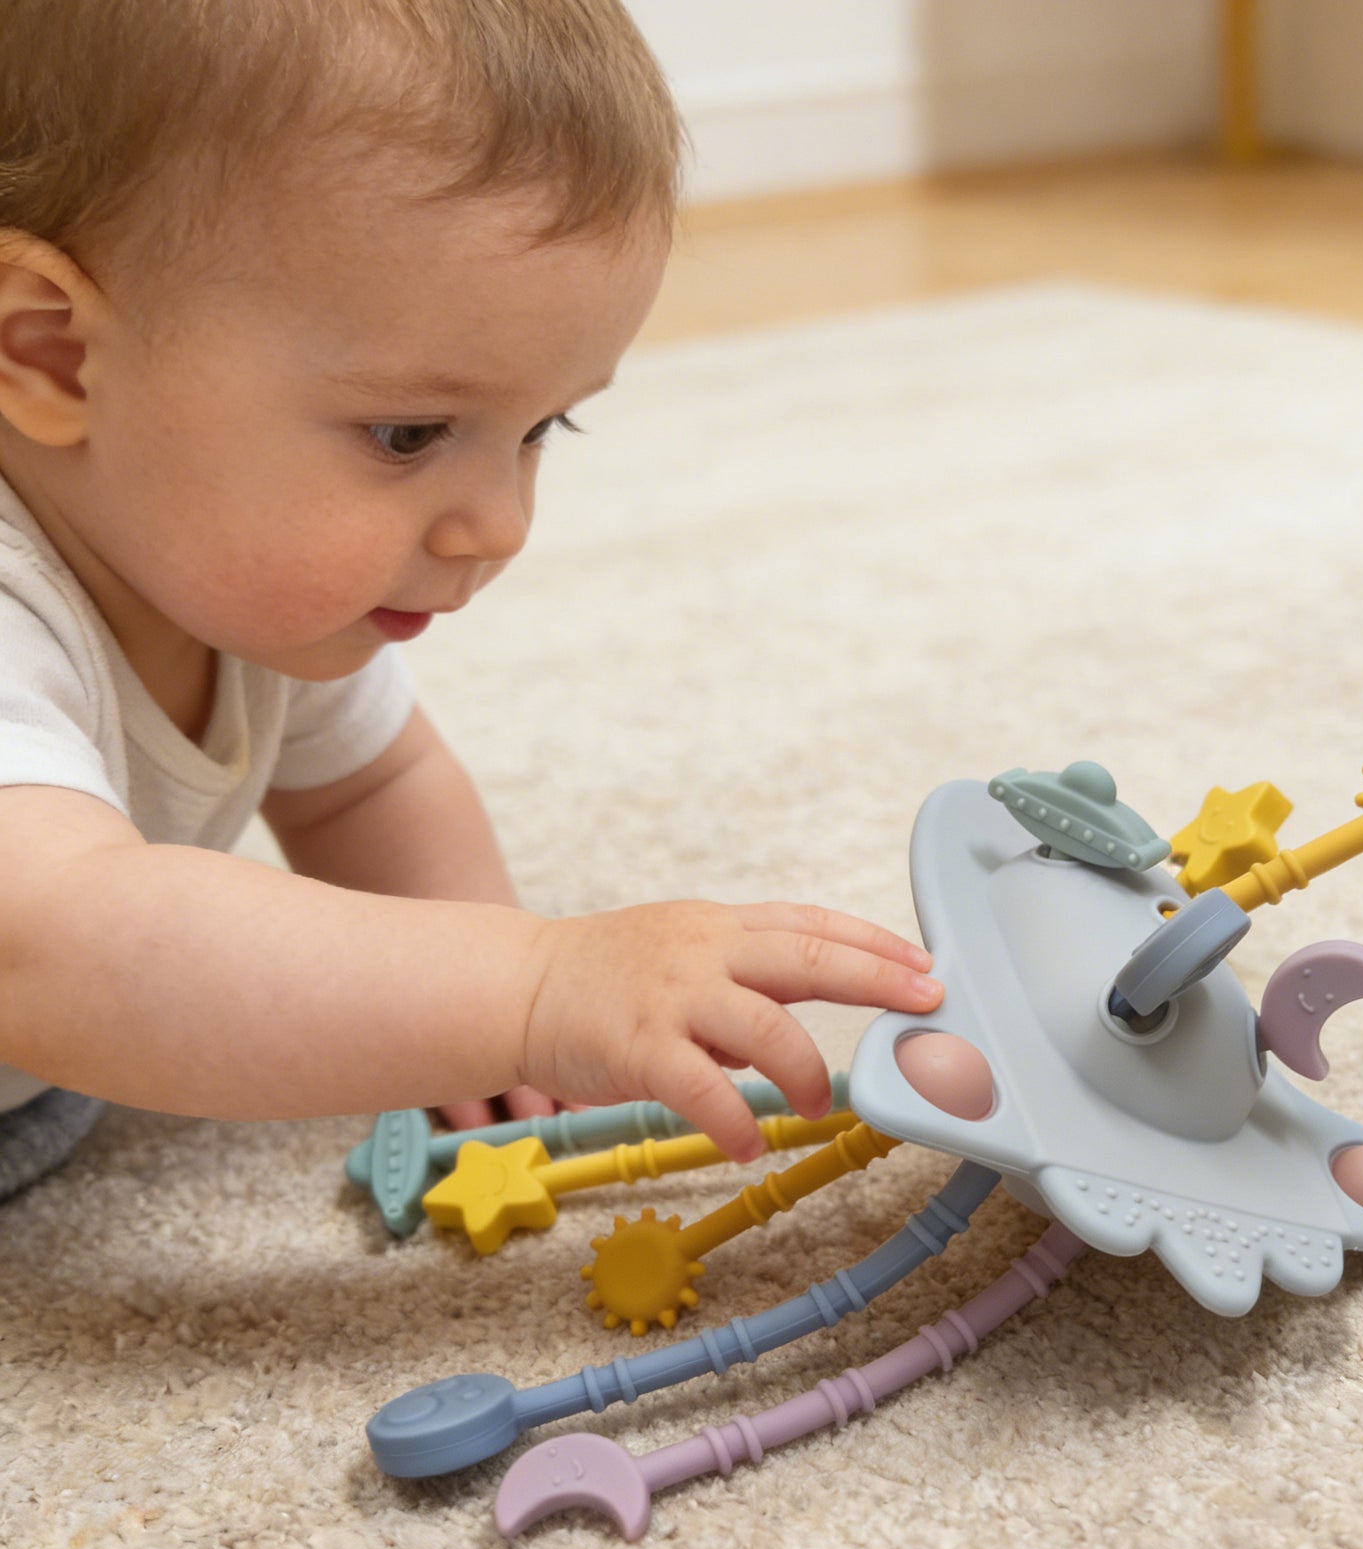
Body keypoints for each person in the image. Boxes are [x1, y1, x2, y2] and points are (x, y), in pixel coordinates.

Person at [0, 0, 944, 1201]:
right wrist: (531, 983)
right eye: (409, 432)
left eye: (541, 426)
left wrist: (484, 1041)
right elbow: (64, 949)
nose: (501, 525)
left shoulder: (235, 577)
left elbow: (371, 785)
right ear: (50, 354)